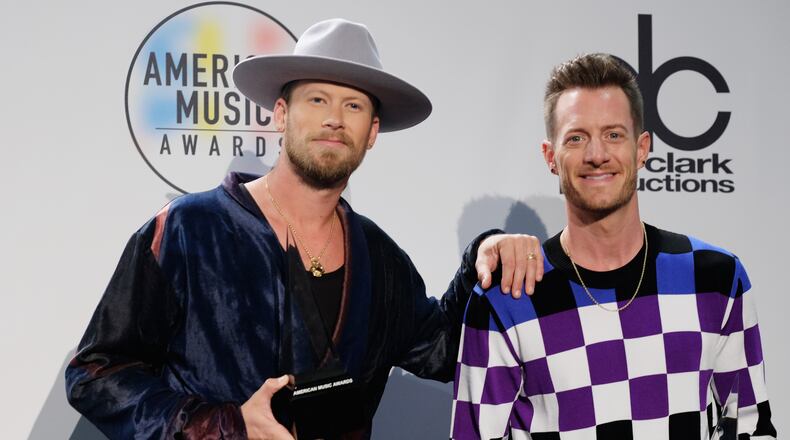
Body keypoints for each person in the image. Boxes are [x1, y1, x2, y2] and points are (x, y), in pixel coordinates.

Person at [65, 19, 544, 440]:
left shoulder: (380, 259)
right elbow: (95, 372)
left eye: (353, 106)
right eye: (317, 99)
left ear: (372, 132)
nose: (334, 119)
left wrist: (488, 251)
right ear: (281, 114)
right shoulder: (190, 230)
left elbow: (444, 350)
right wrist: (222, 425)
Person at [451, 53, 776, 439]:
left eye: (613, 135)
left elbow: (750, 427)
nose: (596, 155)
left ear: (642, 149)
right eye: (576, 137)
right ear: (550, 157)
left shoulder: (715, 278)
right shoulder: (508, 296)